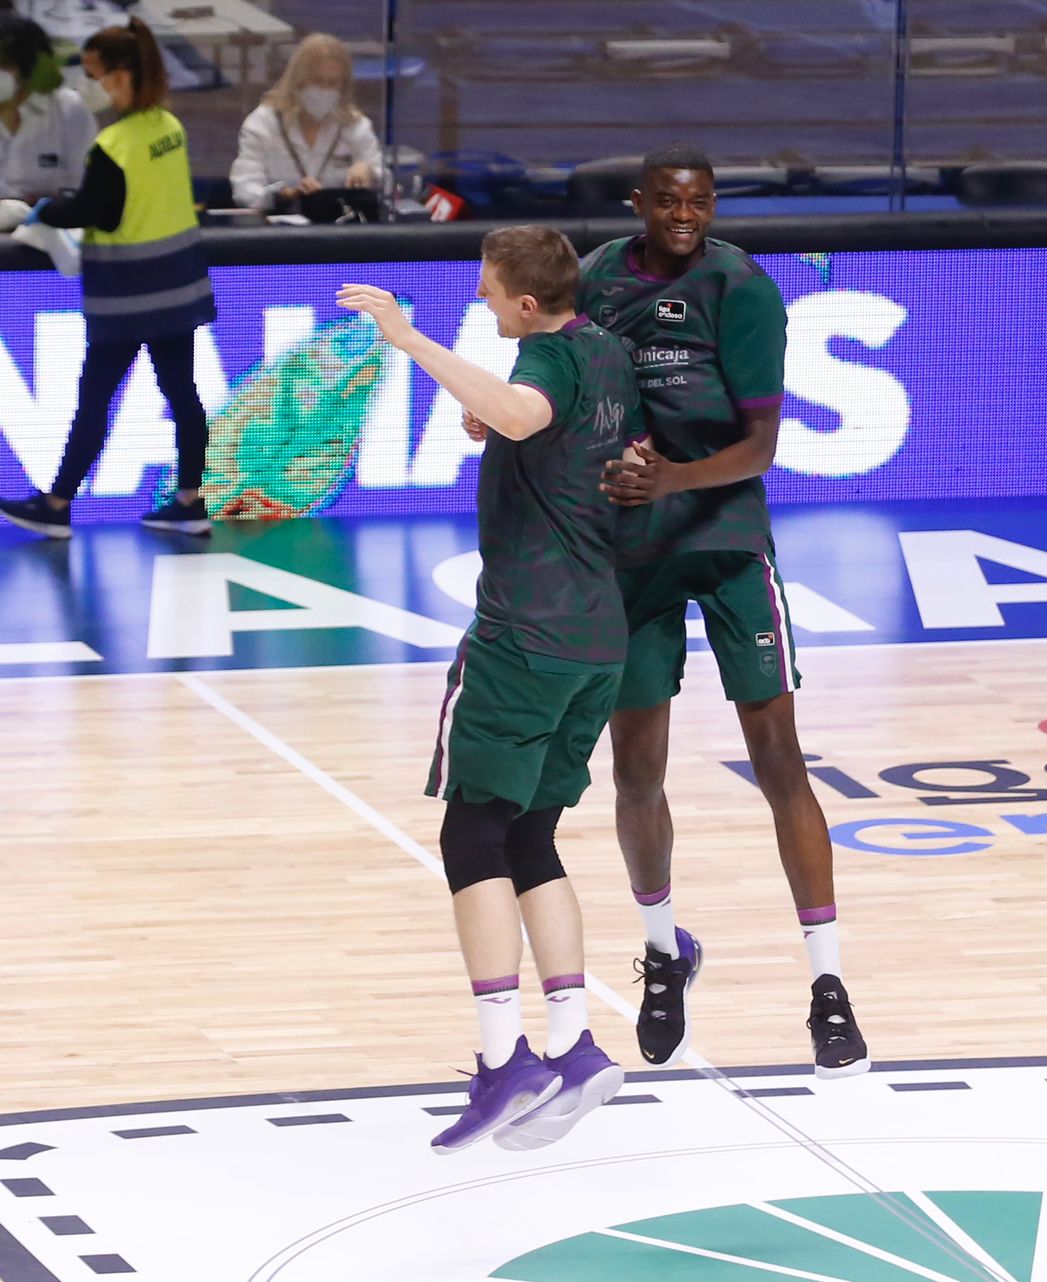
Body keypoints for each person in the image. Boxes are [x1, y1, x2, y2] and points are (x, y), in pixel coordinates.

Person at [337, 224, 638, 1152]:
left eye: (488, 291)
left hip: (523, 637)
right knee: (530, 835)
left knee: (470, 834)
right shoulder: (607, 350)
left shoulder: (543, 357)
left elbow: (521, 414)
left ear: (527, 305)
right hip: (598, 637)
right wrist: (503, 426)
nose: (478, 301)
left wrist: (410, 340)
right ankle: (574, 1045)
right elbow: (543, 429)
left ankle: (506, 1060)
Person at [582, 143, 870, 1079]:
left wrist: (671, 477)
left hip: (729, 537)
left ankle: (829, 988)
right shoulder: (596, 281)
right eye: (668, 201)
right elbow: (572, 395)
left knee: (779, 756)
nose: (684, 215)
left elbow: (759, 448)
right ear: (640, 203)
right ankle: (665, 950)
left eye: (698, 203)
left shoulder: (741, 289)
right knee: (634, 772)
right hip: (637, 551)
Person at [0, 18, 214, 541]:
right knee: (183, 394)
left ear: (120, 76)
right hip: (179, 284)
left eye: (92, 74)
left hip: (128, 295)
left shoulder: (113, 145)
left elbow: (99, 211)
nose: (85, 85)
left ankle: (56, 504)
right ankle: (191, 501)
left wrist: (42, 212)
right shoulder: (169, 127)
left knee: (95, 400)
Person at [229, 32, 381, 216]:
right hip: (278, 231)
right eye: (317, 80)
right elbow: (244, 189)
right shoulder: (263, 123)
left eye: (332, 83)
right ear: (298, 80)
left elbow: (384, 178)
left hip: (339, 230)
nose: (324, 90)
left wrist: (368, 171)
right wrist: (282, 194)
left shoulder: (354, 125)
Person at [0, 14, 96, 211]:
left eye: (4, 65)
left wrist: (37, 207)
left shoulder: (70, 110)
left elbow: (87, 191)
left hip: (49, 231)